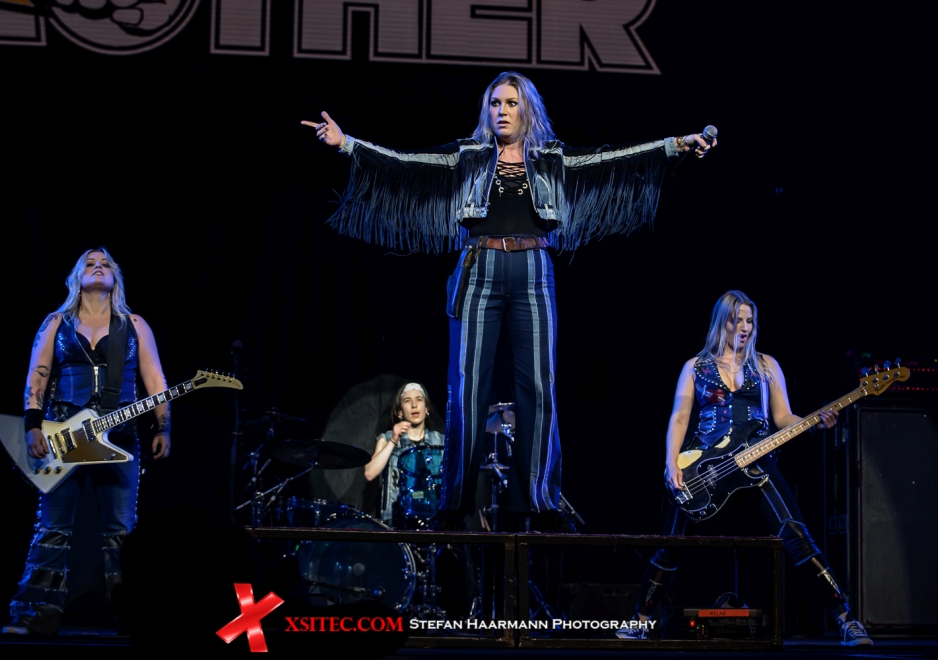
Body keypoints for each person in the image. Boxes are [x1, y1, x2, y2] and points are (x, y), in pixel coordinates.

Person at [302, 71, 715, 533]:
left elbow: (612, 159)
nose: (502, 111)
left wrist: (673, 146)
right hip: (479, 268)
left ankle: (537, 499)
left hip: (534, 270)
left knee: (538, 387)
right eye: (495, 103)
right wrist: (346, 144)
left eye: (511, 103)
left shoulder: (550, 159)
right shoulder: (469, 156)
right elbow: (405, 162)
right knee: (467, 388)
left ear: (526, 110)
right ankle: (454, 502)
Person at [615, 290, 872, 647]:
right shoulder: (695, 367)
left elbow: (783, 417)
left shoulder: (766, 366)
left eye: (750, 321)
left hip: (757, 463)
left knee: (796, 535)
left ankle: (846, 621)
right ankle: (639, 622)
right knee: (671, 544)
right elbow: (680, 417)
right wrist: (671, 463)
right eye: (738, 320)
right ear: (723, 322)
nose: (745, 327)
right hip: (703, 467)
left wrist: (814, 422)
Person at [4, 248, 171, 635]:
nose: (98, 267)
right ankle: (36, 614)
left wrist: (164, 427)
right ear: (77, 276)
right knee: (52, 527)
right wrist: (32, 425)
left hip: (120, 436)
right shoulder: (56, 322)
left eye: (105, 263)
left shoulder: (134, 325)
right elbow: (37, 375)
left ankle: (133, 617)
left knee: (122, 531)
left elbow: (155, 380)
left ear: (115, 277)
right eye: (90, 263)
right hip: (63, 434)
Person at [364, 382, 444, 528]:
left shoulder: (441, 441)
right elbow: (369, 473)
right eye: (407, 401)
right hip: (395, 523)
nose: (414, 405)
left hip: (433, 522)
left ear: (426, 408)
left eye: (419, 399)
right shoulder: (387, 439)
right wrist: (393, 441)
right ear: (400, 412)